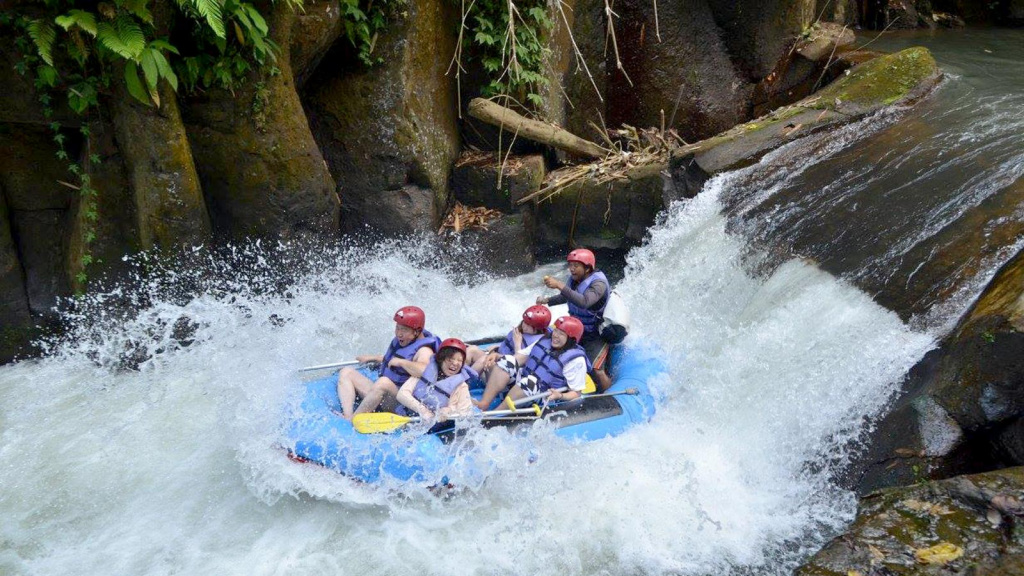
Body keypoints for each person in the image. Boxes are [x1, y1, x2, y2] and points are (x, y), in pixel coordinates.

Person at [336, 306, 440, 420]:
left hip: (402, 405)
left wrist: (401, 362)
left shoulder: (424, 350)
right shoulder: (405, 340)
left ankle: (353, 420)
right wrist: (374, 358)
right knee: (346, 372)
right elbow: (393, 358)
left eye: (403, 330)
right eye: (397, 328)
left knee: (383, 382)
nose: (398, 333)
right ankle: (348, 415)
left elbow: (424, 370)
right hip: (383, 395)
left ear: (417, 331)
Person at [536, 248, 614, 391]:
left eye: (576, 266)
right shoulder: (575, 279)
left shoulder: (599, 284)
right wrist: (547, 300)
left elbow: (584, 301)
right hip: (575, 330)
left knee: (596, 369)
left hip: (594, 334)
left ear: (588, 267)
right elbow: (567, 296)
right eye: (570, 265)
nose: (572, 269)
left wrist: (559, 285)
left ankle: (609, 394)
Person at [470, 304, 552, 410]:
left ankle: (485, 405)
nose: (524, 326)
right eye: (524, 322)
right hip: (498, 371)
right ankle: (461, 387)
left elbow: (516, 361)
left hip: (511, 381)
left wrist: (517, 344)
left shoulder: (539, 343)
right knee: (473, 350)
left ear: (537, 329)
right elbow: (506, 350)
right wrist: (495, 350)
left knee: (485, 359)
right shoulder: (521, 332)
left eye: (529, 325)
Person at [505, 316, 591, 403]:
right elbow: (519, 357)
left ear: (571, 339)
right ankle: (494, 399)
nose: (555, 335)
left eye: (561, 334)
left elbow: (576, 393)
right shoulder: (545, 341)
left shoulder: (576, 360)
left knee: (528, 382)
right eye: (556, 330)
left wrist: (560, 395)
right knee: (505, 362)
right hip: (522, 382)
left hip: (543, 397)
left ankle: (498, 412)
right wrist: (498, 356)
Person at [396, 338, 477, 422]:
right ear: (441, 359)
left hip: (438, 429)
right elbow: (401, 394)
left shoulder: (461, 386)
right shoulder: (425, 372)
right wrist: (423, 411)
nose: (455, 363)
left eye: (459, 360)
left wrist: (449, 410)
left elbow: (466, 413)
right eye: (450, 359)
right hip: (409, 418)